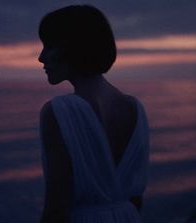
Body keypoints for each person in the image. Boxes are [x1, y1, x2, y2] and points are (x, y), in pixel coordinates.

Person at [38, 5, 150, 223]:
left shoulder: (59, 112)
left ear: (72, 48)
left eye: (49, 47)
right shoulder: (135, 109)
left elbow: (56, 208)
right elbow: (136, 198)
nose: (41, 58)